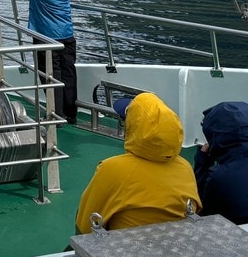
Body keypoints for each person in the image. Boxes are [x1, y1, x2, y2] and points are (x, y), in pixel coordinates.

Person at [74, 93, 200, 234]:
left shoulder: (112, 169)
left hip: (126, 250)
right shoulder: (185, 168)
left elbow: (86, 225)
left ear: (132, 127)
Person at [12, 0, 77, 124]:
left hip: (46, 37)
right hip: (66, 35)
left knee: (49, 76)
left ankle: (56, 115)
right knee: (68, 75)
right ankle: (71, 114)